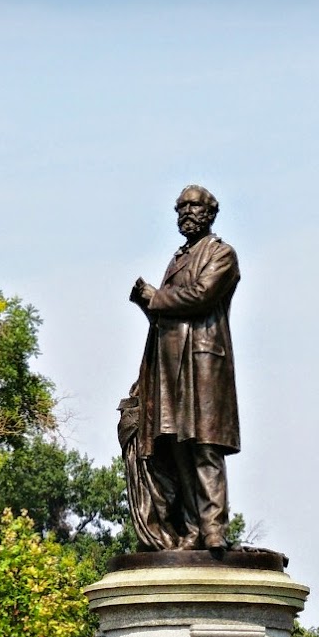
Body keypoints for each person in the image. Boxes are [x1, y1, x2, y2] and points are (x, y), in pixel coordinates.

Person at [122, 185, 240, 553]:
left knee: (205, 445)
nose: (187, 213)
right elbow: (167, 315)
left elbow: (201, 295)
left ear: (210, 213)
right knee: (177, 446)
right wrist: (150, 303)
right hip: (169, 366)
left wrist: (155, 298)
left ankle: (214, 529)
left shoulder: (222, 254)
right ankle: (191, 529)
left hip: (203, 363)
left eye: (194, 206)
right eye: (181, 208)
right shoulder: (178, 259)